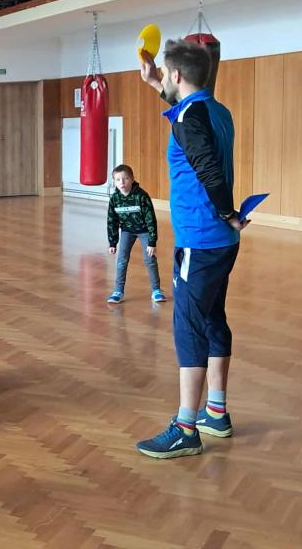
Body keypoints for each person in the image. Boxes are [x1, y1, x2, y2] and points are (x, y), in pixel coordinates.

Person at [134, 39, 248, 459]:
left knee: (188, 327)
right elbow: (186, 113)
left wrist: (227, 212)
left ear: (178, 75)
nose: (162, 78)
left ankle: (185, 428)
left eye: (165, 73)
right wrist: (154, 82)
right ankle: (215, 412)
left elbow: (207, 168)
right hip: (221, 243)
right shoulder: (217, 110)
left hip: (200, 240)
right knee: (213, 319)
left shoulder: (188, 117)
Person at [105, 164, 165, 303]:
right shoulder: (114, 199)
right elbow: (112, 221)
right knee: (122, 260)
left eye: (125, 178)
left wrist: (152, 242)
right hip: (127, 231)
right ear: (114, 182)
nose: (122, 182)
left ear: (132, 179)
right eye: (118, 179)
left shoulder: (142, 196)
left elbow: (151, 219)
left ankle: (156, 290)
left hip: (144, 230)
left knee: (149, 259)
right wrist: (112, 242)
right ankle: (118, 291)